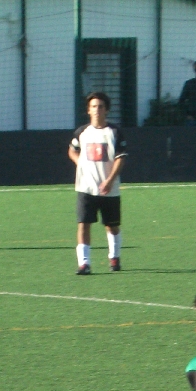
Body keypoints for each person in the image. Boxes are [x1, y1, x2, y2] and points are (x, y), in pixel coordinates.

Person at [68, 92, 127, 274]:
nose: (97, 110)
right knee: (83, 224)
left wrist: (109, 180)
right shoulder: (82, 132)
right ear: (88, 110)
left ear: (106, 110)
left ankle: (114, 256)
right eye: (93, 106)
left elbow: (120, 158)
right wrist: (80, 163)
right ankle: (84, 263)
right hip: (85, 187)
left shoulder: (114, 132)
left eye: (100, 106)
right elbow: (72, 150)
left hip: (109, 189)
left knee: (112, 225)